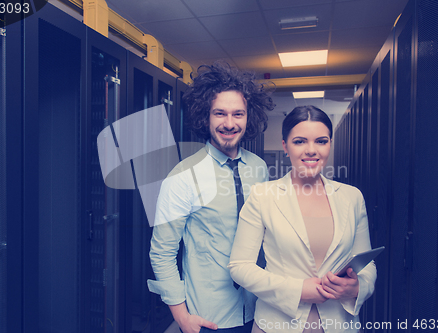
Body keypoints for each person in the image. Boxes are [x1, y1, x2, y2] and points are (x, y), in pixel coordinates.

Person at [148, 62, 275, 333]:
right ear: (205, 116)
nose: (229, 123)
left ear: (248, 117)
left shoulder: (259, 168)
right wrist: (182, 318)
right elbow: (161, 253)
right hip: (209, 319)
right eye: (220, 113)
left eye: (238, 114)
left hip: (260, 310)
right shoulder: (181, 177)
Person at [228, 106, 377, 333]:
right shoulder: (263, 195)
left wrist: (357, 287)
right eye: (299, 141)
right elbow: (240, 267)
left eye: (321, 141)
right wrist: (297, 290)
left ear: (329, 144)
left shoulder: (352, 197)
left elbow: (367, 266)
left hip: (340, 325)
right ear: (285, 146)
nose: (311, 150)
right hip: (276, 325)